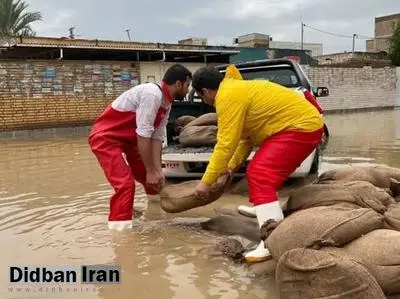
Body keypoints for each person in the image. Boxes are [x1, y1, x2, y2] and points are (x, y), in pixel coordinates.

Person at [191, 64, 324, 263]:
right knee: (263, 171)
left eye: (203, 97)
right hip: (300, 125)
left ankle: (272, 240)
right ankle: (265, 208)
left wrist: (205, 182)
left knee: (260, 172)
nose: (206, 101)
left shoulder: (227, 97)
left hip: (300, 127)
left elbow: (225, 144)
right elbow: (245, 140)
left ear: (206, 92)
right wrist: (229, 168)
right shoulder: (234, 90)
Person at [88, 64, 192, 231]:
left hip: (130, 140)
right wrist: (151, 170)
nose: (188, 91)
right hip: (105, 138)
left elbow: (157, 138)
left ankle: (155, 212)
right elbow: (144, 134)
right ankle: (120, 232)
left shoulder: (167, 103)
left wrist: (157, 170)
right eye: (187, 86)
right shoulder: (152, 94)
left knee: (151, 178)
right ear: (178, 84)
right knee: (125, 184)